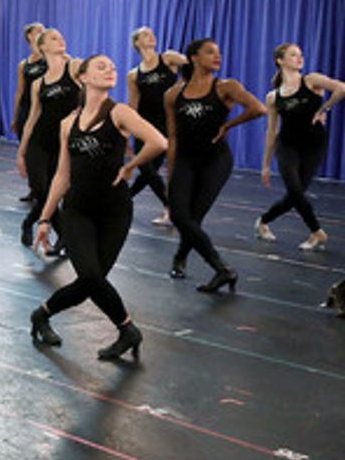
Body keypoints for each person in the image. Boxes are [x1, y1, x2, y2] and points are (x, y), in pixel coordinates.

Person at [31, 54, 168, 360]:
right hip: (77, 211)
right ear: (84, 77)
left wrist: (132, 164)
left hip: (115, 212)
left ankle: (41, 314)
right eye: (101, 67)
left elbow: (159, 142)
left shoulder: (119, 113)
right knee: (92, 277)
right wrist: (44, 219)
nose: (111, 70)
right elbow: (62, 175)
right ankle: (127, 329)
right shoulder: (68, 123)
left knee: (89, 283)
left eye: (113, 67)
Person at [164, 39, 266, 292]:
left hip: (216, 161)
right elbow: (173, 136)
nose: (217, 56)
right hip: (186, 160)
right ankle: (218, 268)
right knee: (179, 215)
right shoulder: (173, 94)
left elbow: (258, 108)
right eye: (210, 52)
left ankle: (194, 262)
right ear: (194, 58)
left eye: (219, 52)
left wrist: (229, 125)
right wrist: (171, 170)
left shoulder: (226, 87)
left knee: (194, 217)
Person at [256, 43, 340, 250]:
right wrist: (266, 165)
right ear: (280, 60)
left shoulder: (311, 81)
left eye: (300, 55)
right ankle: (317, 232)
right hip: (288, 145)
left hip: (314, 145)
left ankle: (263, 220)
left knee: (296, 194)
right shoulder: (273, 97)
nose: (299, 58)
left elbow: (342, 88)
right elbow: (272, 131)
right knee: (294, 189)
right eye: (293, 55)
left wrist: (324, 109)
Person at [18, 29, 80, 252]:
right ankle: (63, 235)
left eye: (62, 36)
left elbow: (91, 93)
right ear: (42, 46)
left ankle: (30, 221)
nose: (61, 39)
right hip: (39, 142)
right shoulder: (38, 83)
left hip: (64, 144)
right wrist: (21, 152)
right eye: (54, 38)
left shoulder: (74, 67)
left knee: (57, 192)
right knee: (40, 189)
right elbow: (33, 118)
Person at [126, 27, 186, 226]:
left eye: (152, 34)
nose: (151, 36)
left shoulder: (168, 58)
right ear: (137, 43)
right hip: (143, 124)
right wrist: (126, 132)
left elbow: (193, 65)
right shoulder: (134, 74)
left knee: (150, 170)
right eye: (145, 34)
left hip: (166, 123)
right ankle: (170, 207)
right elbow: (132, 105)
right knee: (145, 167)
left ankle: (124, 198)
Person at [11, 22, 45, 202]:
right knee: (29, 151)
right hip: (27, 108)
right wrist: (15, 116)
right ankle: (34, 188)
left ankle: (48, 188)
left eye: (43, 30)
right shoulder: (23, 64)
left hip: (44, 109)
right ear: (30, 37)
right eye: (38, 31)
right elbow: (20, 91)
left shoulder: (49, 59)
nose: (42, 33)